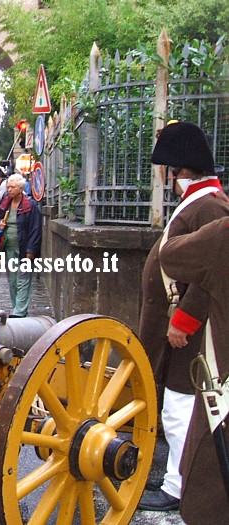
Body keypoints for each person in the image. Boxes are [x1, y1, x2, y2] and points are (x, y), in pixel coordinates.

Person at [137, 121, 229, 511]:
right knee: (177, 405)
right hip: (177, 324)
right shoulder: (200, 202)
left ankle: (179, 485)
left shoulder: (210, 205)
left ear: (182, 170)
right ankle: (177, 474)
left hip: (193, 330)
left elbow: (215, 273)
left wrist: (185, 320)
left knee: (181, 407)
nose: (167, 178)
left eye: (170, 170)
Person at [159, 216, 229, 524]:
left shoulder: (221, 230)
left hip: (223, 379)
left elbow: (170, 255)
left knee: (209, 487)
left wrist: (183, 319)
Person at [0, 172, 42, 318]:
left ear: (21, 188)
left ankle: (19, 312)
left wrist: (30, 252)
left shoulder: (31, 206)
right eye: (8, 187)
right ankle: (16, 307)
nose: (9, 190)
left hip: (24, 249)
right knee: (12, 281)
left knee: (23, 280)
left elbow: (35, 229)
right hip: (8, 248)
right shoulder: (5, 204)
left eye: (13, 187)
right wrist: (0, 225)